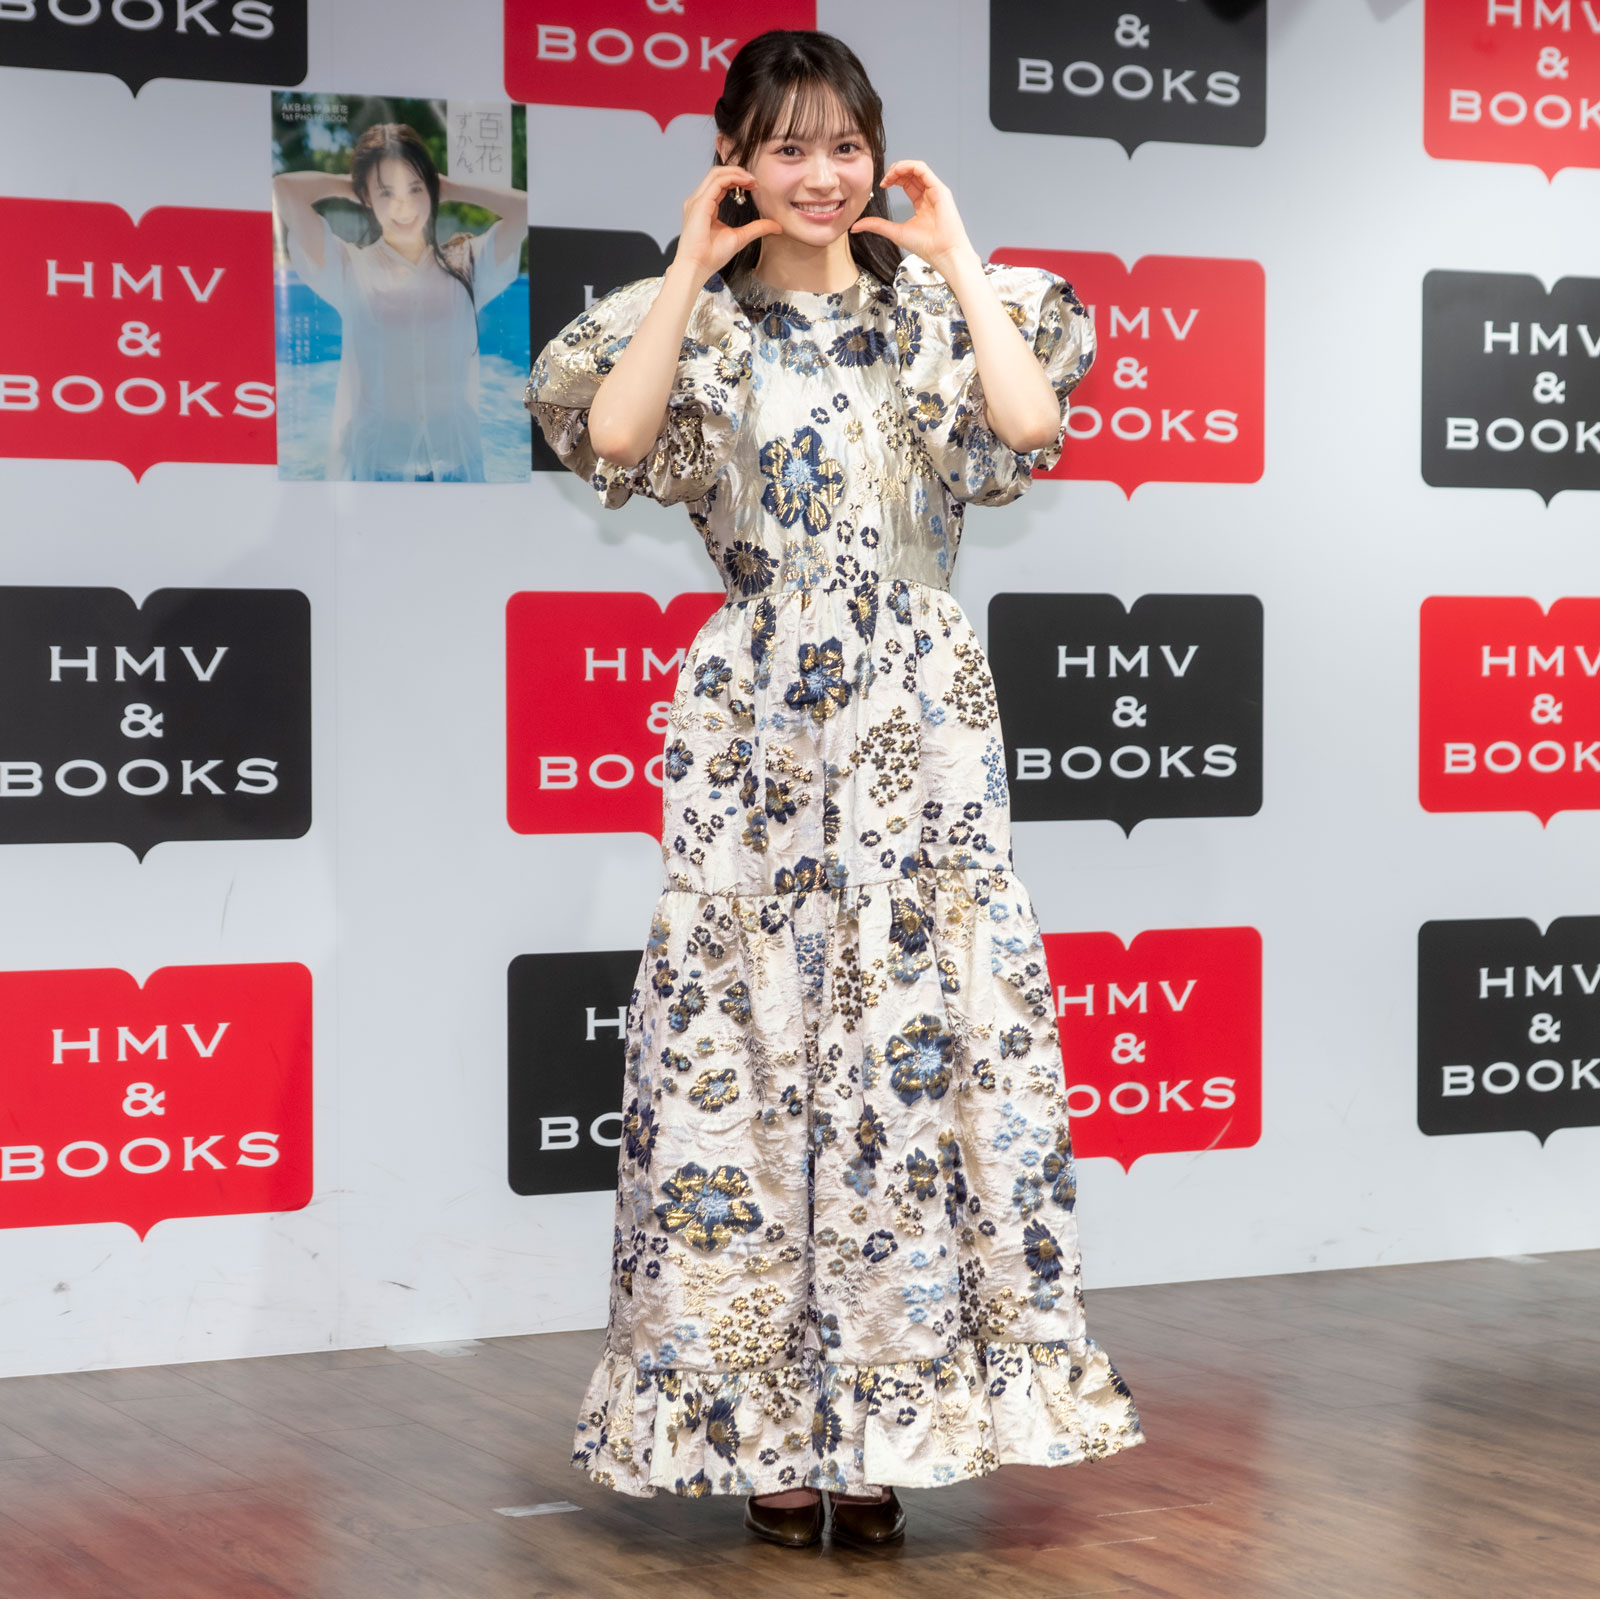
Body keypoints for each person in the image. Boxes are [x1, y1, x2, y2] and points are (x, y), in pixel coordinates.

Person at [525, 28, 1144, 1551]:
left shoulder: (943, 309)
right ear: (735, 157)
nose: (821, 174)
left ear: (880, 153)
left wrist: (954, 250)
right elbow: (616, 436)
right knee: (749, 1059)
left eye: (845, 144)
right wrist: (691, 261)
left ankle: (881, 1431)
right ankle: (765, 1439)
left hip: (916, 715)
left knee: (903, 1061)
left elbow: (1028, 426)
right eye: (787, 146)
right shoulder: (691, 324)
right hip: (758, 719)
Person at [273, 122, 525, 481]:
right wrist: (355, 184)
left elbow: (526, 210)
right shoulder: (348, 267)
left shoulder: (469, 265)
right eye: (386, 193)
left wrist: (448, 187)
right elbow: (284, 190)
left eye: (415, 189)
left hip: (455, 465)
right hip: (377, 467)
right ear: (367, 198)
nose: (403, 206)